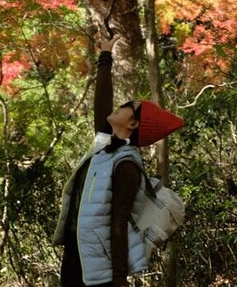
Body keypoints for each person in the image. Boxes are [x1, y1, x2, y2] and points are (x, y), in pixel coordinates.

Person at [54, 35, 184, 287]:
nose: (119, 106)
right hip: (76, 258)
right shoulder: (105, 148)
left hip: (98, 271)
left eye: (127, 106)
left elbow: (119, 222)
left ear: (133, 123)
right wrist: (105, 56)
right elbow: (101, 104)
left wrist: (118, 278)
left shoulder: (126, 166)